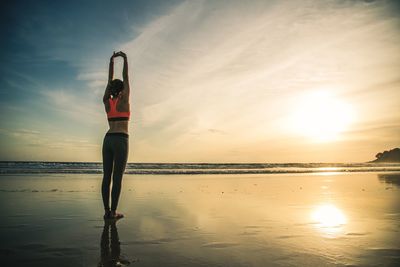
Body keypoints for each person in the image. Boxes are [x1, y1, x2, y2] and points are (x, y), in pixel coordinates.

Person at [101, 51, 130, 220]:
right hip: (121, 139)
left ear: (111, 89)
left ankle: (106, 211)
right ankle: (113, 212)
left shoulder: (107, 102)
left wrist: (111, 61)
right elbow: (126, 77)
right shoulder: (125, 100)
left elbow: (109, 81)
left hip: (107, 139)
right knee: (117, 177)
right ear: (123, 90)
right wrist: (124, 59)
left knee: (107, 176)